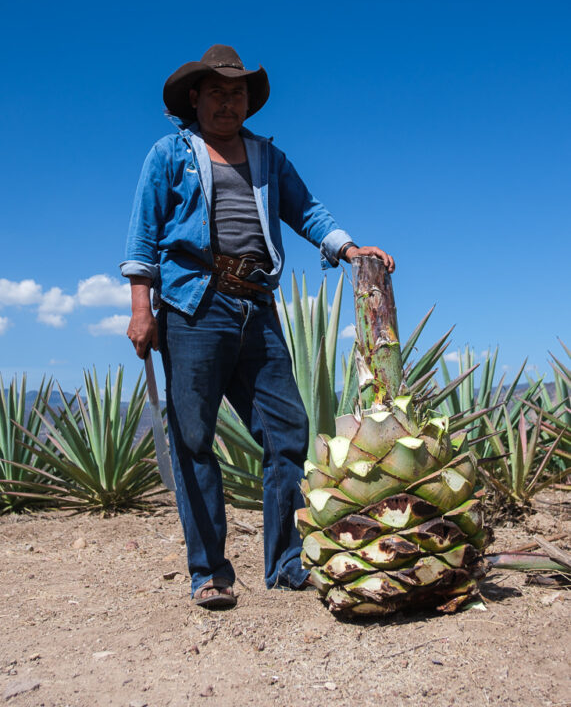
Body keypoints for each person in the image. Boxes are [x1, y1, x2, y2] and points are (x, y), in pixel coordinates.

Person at [121, 44, 395, 609]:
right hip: (194, 308)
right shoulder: (170, 154)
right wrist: (141, 309)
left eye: (237, 93)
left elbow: (307, 210)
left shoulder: (268, 158)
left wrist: (347, 248)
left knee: (288, 431)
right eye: (217, 93)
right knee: (194, 439)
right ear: (195, 97)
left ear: (249, 101)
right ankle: (210, 572)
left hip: (258, 309)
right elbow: (143, 238)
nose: (228, 103)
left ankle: (285, 564)